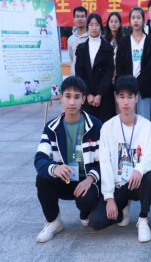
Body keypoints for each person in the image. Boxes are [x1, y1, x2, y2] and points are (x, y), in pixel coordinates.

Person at [88, 76, 151, 242]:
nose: (126, 102)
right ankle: (122, 210)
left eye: (130, 97)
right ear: (116, 98)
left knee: (149, 176)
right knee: (96, 221)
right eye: (122, 96)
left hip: (137, 182)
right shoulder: (108, 127)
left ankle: (143, 219)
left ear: (136, 98)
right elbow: (104, 163)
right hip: (118, 186)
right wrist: (109, 198)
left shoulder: (146, 126)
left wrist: (139, 169)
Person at [34, 76, 102, 242]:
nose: (72, 102)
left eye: (77, 97)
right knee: (42, 179)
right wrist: (54, 168)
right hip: (63, 179)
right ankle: (53, 221)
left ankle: (85, 212)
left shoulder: (95, 126)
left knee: (87, 200)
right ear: (61, 98)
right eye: (68, 96)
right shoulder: (51, 128)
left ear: (83, 99)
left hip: (86, 182)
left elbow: (105, 162)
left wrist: (90, 179)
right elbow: (39, 158)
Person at [116, 7, 151, 121]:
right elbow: (120, 65)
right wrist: (128, 83)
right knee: (128, 120)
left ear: (143, 20)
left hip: (145, 88)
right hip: (127, 88)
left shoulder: (150, 41)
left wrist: (138, 83)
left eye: (138, 17)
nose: (136, 20)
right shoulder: (124, 41)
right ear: (129, 21)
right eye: (133, 18)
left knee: (144, 120)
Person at [75, 13, 115, 123]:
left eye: (97, 25)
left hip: (104, 95)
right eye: (91, 25)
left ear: (101, 27)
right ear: (87, 27)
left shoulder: (107, 47)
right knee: (88, 126)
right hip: (87, 96)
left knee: (105, 126)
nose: (94, 27)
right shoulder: (81, 48)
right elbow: (79, 73)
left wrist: (99, 95)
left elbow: (109, 72)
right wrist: (87, 94)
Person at [67, 6, 89, 76]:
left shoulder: (92, 37)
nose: (80, 19)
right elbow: (71, 59)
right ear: (74, 19)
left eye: (82, 16)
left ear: (86, 19)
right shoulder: (70, 39)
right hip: (75, 77)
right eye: (77, 16)